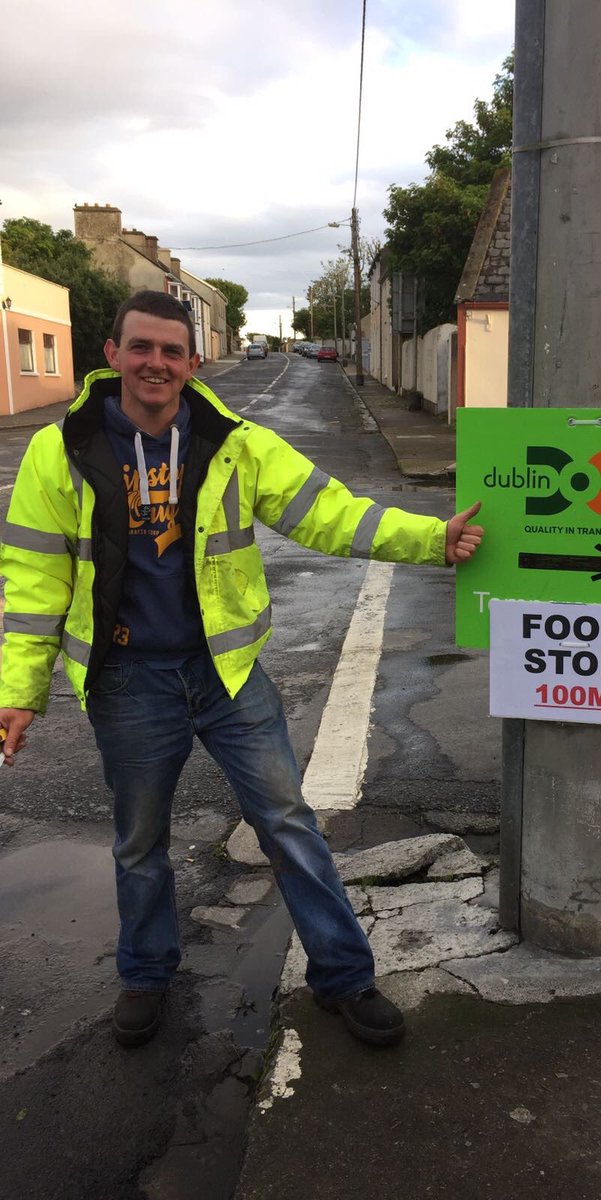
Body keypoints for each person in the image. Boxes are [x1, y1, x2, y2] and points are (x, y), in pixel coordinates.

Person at [0, 290, 483, 1049]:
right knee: (139, 841)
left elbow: (329, 512)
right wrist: (19, 692)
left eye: (171, 350)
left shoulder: (234, 441)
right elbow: (33, 580)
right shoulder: (59, 450)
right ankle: (146, 973)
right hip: (128, 680)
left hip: (226, 674)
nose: (156, 363)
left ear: (193, 363)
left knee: (288, 823)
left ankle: (344, 976)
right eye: (142, 348)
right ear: (113, 354)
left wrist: (431, 537)